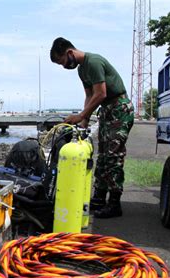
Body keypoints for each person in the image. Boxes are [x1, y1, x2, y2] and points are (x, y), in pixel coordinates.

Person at [50, 37, 134, 218]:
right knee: (103, 156)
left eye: (63, 62)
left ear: (69, 52)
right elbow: (89, 96)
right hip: (107, 110)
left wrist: (81, 115)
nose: (64, 66)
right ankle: (99, 198)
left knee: (113, 156)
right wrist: (84, 121)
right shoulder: (82, 70)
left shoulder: (94, 62)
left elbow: (101, 93)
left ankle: (114, 203)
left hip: (119, 108)